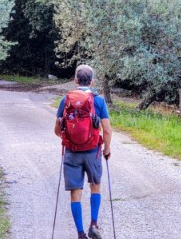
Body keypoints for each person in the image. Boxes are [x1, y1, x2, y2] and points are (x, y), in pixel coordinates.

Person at [55, 64, 112, 239]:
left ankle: (80, 233)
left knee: (75, 192)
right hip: (93, 151)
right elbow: (107, 130)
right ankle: (93, 224)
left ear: (75, 80)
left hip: (72, 152)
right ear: (92, 81)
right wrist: (106, 150)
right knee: (95, 186)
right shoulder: (99, 101)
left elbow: (57, 130)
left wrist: (71, 137)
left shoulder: (66, 101)